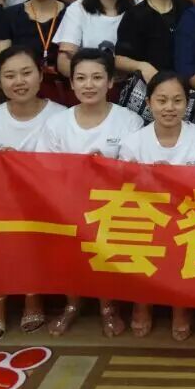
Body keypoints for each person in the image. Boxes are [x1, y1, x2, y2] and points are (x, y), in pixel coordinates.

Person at [37, 48, 143, 337]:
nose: (89, 85)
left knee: (104, 237)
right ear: (71, 83)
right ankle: (72, 304)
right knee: (67, 241)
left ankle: (108, 305)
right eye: (81, 78)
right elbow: (44, 170)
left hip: (113, 206)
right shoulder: (57, 124)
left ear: (110, 82)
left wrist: (107, 168)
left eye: (97, 77)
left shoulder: (128, 121)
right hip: (68, 204)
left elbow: (135, 170)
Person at [0, 45, 66, 338]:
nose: (19, 81)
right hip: (0, 202)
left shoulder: (61, 116)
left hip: (46, 202)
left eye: (26, 73)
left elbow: (65, 170)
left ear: (40, 75)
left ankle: (32, 294)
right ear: (0, 82)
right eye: (10, 75)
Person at [117, 71, 195, 339]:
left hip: (186, 213)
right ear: (148, 103)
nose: (170, 107)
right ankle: (142, 302)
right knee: (136, 232)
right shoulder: (134, 141)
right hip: (146, 214)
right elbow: (125, 188)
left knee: (187, 235)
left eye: (177, 101)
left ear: (187, 104)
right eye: (162, 100)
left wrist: (172, 178)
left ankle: (180, 305)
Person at [115, 0, 192, 118]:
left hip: (184, 96)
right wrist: (142, 66)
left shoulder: (188, 11)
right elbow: (119, 59)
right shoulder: (134, 15)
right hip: (147, 96)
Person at [0, 0, 66, 101]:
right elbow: (1, 60)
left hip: (64, 93)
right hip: (20, 92)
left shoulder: (72, 14)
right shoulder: (9, 15)